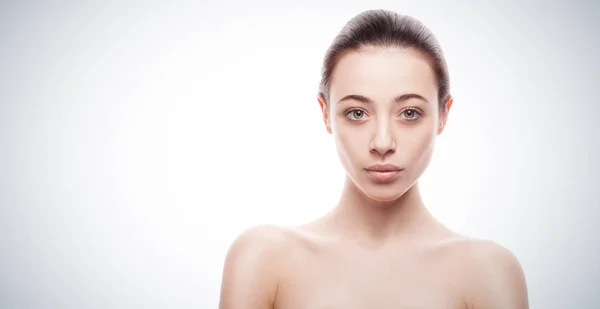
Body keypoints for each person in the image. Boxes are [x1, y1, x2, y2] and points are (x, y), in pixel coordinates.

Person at [219, 9, 529, 309]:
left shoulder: (487, 272)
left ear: (443, 115)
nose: (382, 143)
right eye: (357, 113)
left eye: (409, 113)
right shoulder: (264, 259)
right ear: (326, 113)